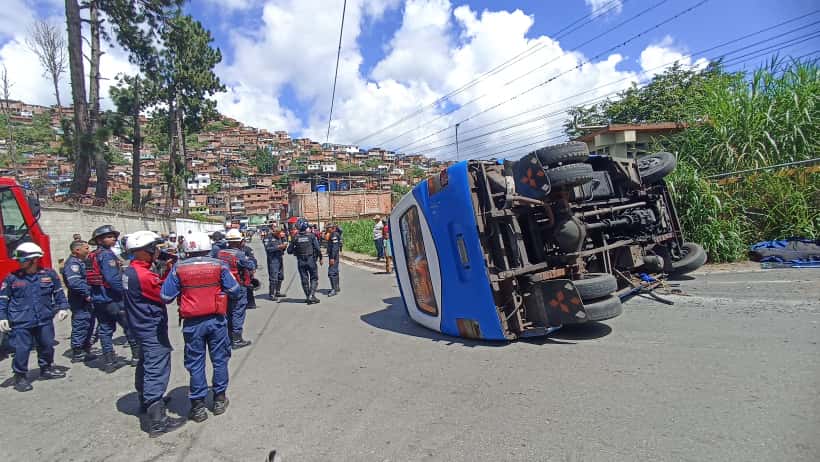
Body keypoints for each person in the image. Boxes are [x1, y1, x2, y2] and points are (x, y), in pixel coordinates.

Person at [161, 232, 241, 422]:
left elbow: (165, 296)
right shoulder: (219, 265)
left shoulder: (179, 268)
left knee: (195, 363)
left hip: (192, 323)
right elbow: (234, 290)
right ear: (208, 247)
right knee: (220, 359)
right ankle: (219, 399)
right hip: (216, 320)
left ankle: (198, 407)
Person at [122, 231, 185, 437]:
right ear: (145, 250)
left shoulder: (131, 270)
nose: (158, 251)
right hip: (149, 325)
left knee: (145, 362)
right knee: (156, 367)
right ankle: (157, 419)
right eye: (155, 248)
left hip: (138, 323)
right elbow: (165, 294)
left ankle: (145, 399)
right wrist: (173, 273)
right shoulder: (144, 275)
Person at [0, 243, 70, 392]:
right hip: (21, 320)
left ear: (34, 259)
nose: (20, 262)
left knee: (46, 344)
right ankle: (20, 376)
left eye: (23, 260)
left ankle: (46, 368)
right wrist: (2, 317)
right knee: (22, 349)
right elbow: (4, 299)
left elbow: (58, 293)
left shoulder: (49, 275)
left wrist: (63, 307)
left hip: (44, 318)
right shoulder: (12, 278)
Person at [88, 224, 139, 373]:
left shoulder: (93, 255)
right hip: (112, 298)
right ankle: (136, 355)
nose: (114, 239)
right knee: (128, 326)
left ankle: (109, 360)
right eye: (109, 237)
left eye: (114, 236)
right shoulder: (107, 255)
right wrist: (125, 293)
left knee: (105, 329)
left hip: (98, 298)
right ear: (99, 240)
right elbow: (112, 279)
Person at [216, 229, 256, 348]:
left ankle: (228, 337)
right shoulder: (239, 254)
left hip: (224, 286)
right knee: (238, 312)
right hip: (238, 286)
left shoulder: (220, 253)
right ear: (239, 242)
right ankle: (237, 339)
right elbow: (250, 265)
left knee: (227, 312)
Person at [61, 240, 97, 363]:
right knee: (81, 324)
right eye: (86, 248)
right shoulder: (72, 264)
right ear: (77, 250)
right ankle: (77, 351)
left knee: (89, 323)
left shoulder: (82, 262)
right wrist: (87, 293)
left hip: (86, 300)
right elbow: (75, 283)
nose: (88, 251)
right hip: (80, 300)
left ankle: (86, 348)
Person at [287, 218, 322, 304]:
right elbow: (317, 248)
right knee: (314, 278)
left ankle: (308, 296)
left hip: (300, 261)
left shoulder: (295, 237)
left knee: (304, 279)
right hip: (311, 260)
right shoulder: (311, 236)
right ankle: (311, 295)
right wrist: (320, 258)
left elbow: (289, 251)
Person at [263, 227, 288, 301]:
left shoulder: (280, 237)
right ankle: (271, 294)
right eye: (278, 233)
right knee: (273, 277)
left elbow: (283, 247)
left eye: (280, 233)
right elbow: (268, 249)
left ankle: (277, 291)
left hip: (279, 258)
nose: (279, 234)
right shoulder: (268, 238)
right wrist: (278, 247)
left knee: (280, 276)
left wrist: (284, 242)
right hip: (273, 260)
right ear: (274, 232)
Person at [240, 235, 259, 310]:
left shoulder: (248, 249)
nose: (242, 242)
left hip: (247, 271)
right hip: (240, 271)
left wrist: (253, 268)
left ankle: (251, 303)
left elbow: (253, 259)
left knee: (249, 286)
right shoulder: (234, 250)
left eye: (243, 241)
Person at [325, 223, 342, 296]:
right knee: (335, 271)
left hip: (334, 256)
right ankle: (336, 287)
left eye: (328, 228)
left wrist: (332, 258)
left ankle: (334, 290)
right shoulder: (332, 234)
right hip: (333, 256)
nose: (326, 229)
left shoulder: (334, 235)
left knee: (331, 272)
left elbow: (335, 248)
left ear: (332, 228)